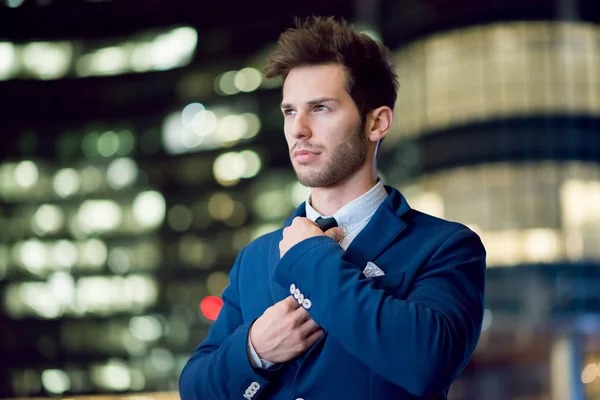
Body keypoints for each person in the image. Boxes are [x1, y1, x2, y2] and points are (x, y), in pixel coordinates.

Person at [179, 16, 486, 400]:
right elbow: (194, 389)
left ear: (377, 123)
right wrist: (254, 350)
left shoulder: (446, 246)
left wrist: (312, 257)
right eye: (290, 111)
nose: (298, 129)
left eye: (320, 108)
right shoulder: (255, 258)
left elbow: (427, 363)